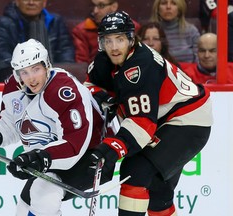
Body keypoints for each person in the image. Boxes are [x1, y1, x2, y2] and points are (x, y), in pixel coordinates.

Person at [0, 39, 111, 216]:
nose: (31, 78)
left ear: (47, 65)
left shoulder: (63, 90)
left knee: (43, 198)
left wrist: (41, 157)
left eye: (36, 69)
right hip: (52, 157)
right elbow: (12, 122)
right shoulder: (13, 87)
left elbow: (74, 144)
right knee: (24, 209)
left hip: (94, 154)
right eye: (24, 72)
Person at [85, 11, 212, 215]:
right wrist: (101, 95)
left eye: (119, 39)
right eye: (108, 40)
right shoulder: (103, 60)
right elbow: (89, 85)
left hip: (188, 120)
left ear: (131, 39)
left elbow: (142, 124)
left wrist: (111, 150)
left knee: (135, 170)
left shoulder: (140, 67)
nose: (114, 47)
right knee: (156, 190)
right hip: (164, 117)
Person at [0, 0, 75, 64]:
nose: (31, 2)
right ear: (17, 1)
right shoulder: (3, 23)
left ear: (44, 2)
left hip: (53, 74)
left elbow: (66, 51)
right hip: (18, 75)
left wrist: (60, 72)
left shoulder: (56, 21)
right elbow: (3, 55)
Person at [71, 0, 140, 64]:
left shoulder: (132, 27)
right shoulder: (81, 30)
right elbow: (81, 64)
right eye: (93, 5)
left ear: (114, 6)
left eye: (101, 6)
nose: (95, 11)